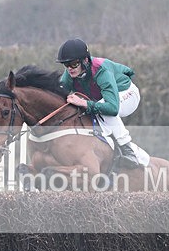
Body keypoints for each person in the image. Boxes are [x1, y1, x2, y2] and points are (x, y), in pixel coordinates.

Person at [56, 38, 142, 168]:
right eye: (66, 65)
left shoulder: (101, 70)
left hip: (127, 94)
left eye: (73, 64)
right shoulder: (70, 74)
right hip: (105, 99)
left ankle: (127, 149)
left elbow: (112, 108)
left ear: (85, 60)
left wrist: (84, 103)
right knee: (89, 110)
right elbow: (58, 94)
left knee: (102, 109)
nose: (69, 69)